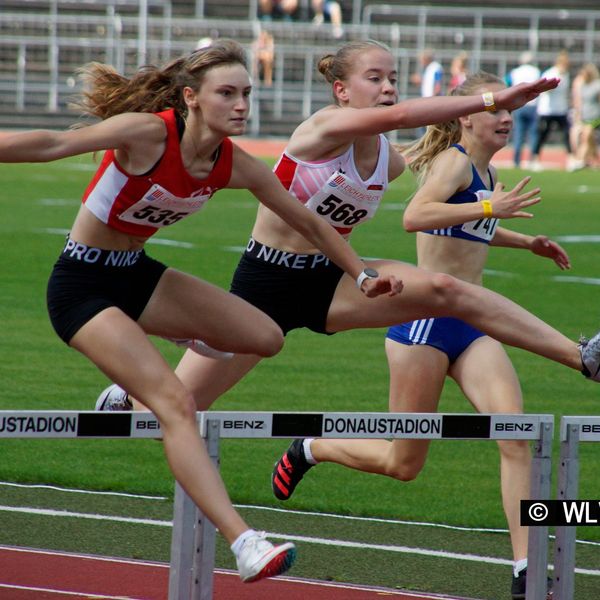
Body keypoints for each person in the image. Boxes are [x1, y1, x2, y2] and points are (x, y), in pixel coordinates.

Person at [96, 39, 599, 570]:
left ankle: (582, 355)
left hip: (334, 281)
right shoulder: (321, 129)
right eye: (374, 78)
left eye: (392, 78)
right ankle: (128, 397)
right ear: (341, 90)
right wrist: (489, 100)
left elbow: (434, 177)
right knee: (181, 406)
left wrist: (501, 205)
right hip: (265, 287)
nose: (388, 88)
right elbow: (409, 118)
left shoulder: (391, 161)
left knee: (449, 293)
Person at [0, 39, 409, 584]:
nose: (241, 104)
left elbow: (310, 222)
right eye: (227, 93)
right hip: (82, 284)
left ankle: (129, 382)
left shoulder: (234, 163)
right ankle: (244, 542)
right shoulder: (148, 133)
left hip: (137, 275)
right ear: (191, 98)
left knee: (264, 336)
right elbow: (51, 143)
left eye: (247, 93)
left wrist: (359, 273)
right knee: (174, 401)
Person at [271, 71, 562, 599]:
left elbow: (468, 228)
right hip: (424, 326)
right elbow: (417, 216)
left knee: (515, 436)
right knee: (404, 464)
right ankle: (311, 448)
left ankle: (526, 568)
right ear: (466, 116)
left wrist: (525, 241)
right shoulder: (454, 162)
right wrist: (493, 208)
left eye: (510, 114)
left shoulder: (485, 172)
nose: (505, 119)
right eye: (497, 111)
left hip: (472, 328)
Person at [530, 50, 574, 171]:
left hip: (561, 109)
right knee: (543, 134)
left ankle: (570, 159)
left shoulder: (566, 75)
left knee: (566, 134)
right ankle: (535, 159)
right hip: (547, 110)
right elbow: (543, 90)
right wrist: (551, 87)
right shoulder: (551, 73)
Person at [506, 51, 541, 168]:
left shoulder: (515, 72)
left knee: (519, 133)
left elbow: (507, 83)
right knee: (533, 134)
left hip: (519, 105)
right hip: (533, 104)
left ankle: (516, 161)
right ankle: (532, 159)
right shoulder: (536, 71)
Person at [572, 63, 600, 169]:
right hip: (585, 116)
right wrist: (578, 115)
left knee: (586, 137)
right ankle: (593, 159)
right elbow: (579, 101)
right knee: (590, 140)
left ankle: (579, 160)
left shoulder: (597, 85)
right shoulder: (583, 85)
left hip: (595, 116)